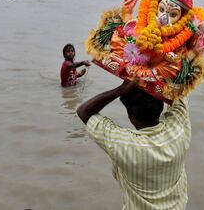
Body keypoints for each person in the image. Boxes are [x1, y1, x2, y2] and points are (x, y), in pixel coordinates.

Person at [77, 81, 191, 210]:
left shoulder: (122, 143)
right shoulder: (178, 128)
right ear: (160, 107)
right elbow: (180, 85)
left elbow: (83, 111)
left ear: (131, 117)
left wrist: (121, 89)